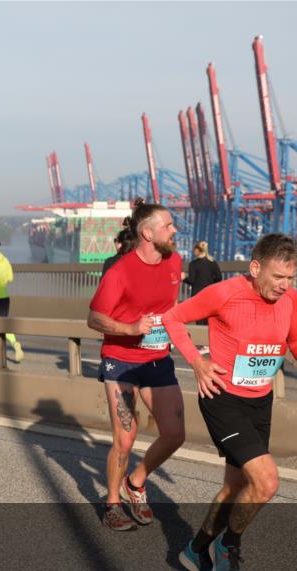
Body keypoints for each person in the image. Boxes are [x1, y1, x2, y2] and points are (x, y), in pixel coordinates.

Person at [162, 233, 297, 571]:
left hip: (259, 401)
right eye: (277, 277)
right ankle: (228, 544)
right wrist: (198, 362)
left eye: (290, 279)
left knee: (236, 486)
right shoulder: (226, 292)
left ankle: (195, 548)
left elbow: (296, 338)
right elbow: (172, 318)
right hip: (222, 397)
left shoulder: (289, 299)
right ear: (255, 268)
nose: (284, 286)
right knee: (266, 482)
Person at [87, 197, 185, 531]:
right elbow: (94, 317)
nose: (175, 230)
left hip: (158, 359)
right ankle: (112, 503)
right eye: (168, 226)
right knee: (125, 439)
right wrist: (131, 329)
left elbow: (171, 309)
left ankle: (137, 481)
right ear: (147, 233)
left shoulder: (175, 263)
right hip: (122, 361)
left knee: (174, 434)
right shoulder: (120, 271)